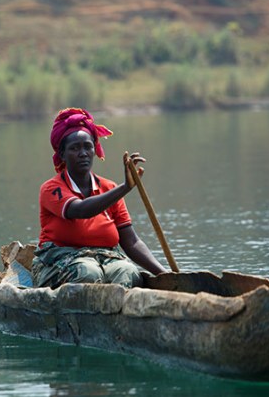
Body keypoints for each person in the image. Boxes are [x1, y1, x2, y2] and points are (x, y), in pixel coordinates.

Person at [33, 108, 168, 289]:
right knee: (88, 272)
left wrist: (166, 275)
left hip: (105, 258)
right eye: (74, 148)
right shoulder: (52, 188)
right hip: (60, 261)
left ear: (95, 150)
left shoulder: (108, 188)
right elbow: (81, 210)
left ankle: (117, 313)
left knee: (128, 272)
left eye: (88, 146)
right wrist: (125, 187)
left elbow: (131, 242)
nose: (83, 153)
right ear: (62, 154)